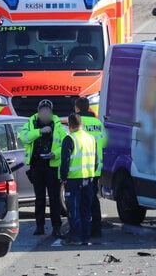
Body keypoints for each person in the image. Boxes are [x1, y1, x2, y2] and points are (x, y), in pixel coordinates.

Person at [19, 100, 66, 237]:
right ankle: (39, 227)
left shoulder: (58, 126)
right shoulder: (30, 123)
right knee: (39, 198)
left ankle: (56, 227)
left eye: (47, 112)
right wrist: (39, 132)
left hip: (52, 166)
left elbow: (65, 146)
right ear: (38, 112)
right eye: (42, 112)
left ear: (51, 113)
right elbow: (24, 138)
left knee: (54, 198)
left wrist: (55, 154)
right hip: (37, 166)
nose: (45, 114)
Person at [60, 113, 98, 246]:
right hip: (89, 178)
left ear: (70, 126)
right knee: (86, 209)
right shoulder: (91, 138)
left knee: (73, 209)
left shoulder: (69, 139)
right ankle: (86, 236)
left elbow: (65, 161)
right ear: (81, 124)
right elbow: (96, 160)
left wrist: (63, 178)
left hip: (73, 179)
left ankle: (76, 237)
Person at [75, 96, 107, 237]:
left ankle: (84, 227)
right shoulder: (97, 122)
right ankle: (96, 227)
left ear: (77, 108)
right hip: (96, 166)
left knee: (82, 198)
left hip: (81, 167)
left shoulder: (77, 122)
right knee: (93, 196)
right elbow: (104, 142)